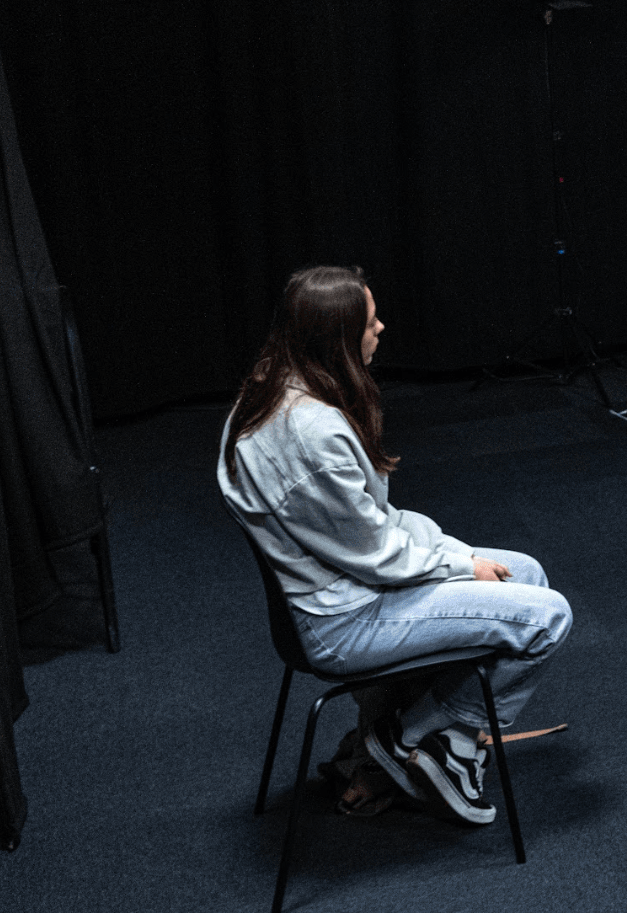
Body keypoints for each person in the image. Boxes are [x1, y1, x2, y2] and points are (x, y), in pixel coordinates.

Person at [218, 266, 572, 825]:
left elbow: (373, 528)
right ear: (335, 337)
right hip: (345, 619)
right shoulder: (311, 432)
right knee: (548, 618)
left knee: (524, 571)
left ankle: (433, 748)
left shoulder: (267, 388)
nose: (381, 328)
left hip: (342, 588)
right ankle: (411, 737)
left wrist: (457, 556)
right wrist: (460, 564)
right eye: (369, 321)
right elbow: (378, 556)